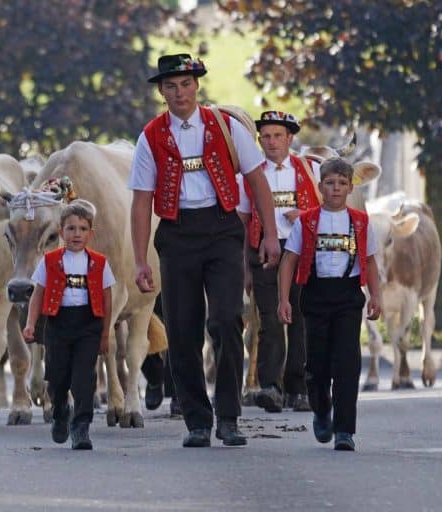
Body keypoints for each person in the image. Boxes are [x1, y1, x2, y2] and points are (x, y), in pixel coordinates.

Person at [129, 53, 280, 448]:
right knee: (182, 329)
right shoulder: (150, 136)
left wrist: (269, 235)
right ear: (162, 92)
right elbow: (141, 200)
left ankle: (228, 416)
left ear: (197, 86)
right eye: (171, 86)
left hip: (222, 230)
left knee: (227, 320)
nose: (179, 92)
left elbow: (257, 181)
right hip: (177, 235)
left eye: (186, 84)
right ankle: (197, 420)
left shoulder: (226, 126)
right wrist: (141, 258)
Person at [277, 157, 381, 451]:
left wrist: (376, 295)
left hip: (348, 296)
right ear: (320, 186)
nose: (336, 189)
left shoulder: (360, 222)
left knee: (348, 364)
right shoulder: (307, 221)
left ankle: (345, 430)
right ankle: (322, 409)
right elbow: (289, 261)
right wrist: (284, 299)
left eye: (342, 184)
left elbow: (371, 261)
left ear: (350, 188)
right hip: (316, 294)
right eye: (330, 183)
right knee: (317, 365)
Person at [237, 111, 321, 413]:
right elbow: (243, 222)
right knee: (269, 319)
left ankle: (298, 388)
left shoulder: (310, 170)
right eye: (266, 136)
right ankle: (270, 386)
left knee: (300, 318)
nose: (271, 142)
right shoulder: (249, 175)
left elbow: (330, 212)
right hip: (263, 252)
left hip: (302, 252)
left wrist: (305, 216)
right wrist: (245, 267)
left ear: (290, 139)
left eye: (278, 136)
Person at [23, 203, 115, 450]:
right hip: (58, 323)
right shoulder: (49, 261)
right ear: (61, 232)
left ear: (90, 234)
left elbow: (107, 298)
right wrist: (31, 324)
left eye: (82, 229)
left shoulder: (100, 263)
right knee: (56, 376)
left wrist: (105, 333)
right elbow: (38, 294)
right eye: (71, 228)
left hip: (88, 324)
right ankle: (60, 410)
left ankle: (81, 427)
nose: (77, 234)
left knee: (84, 378)